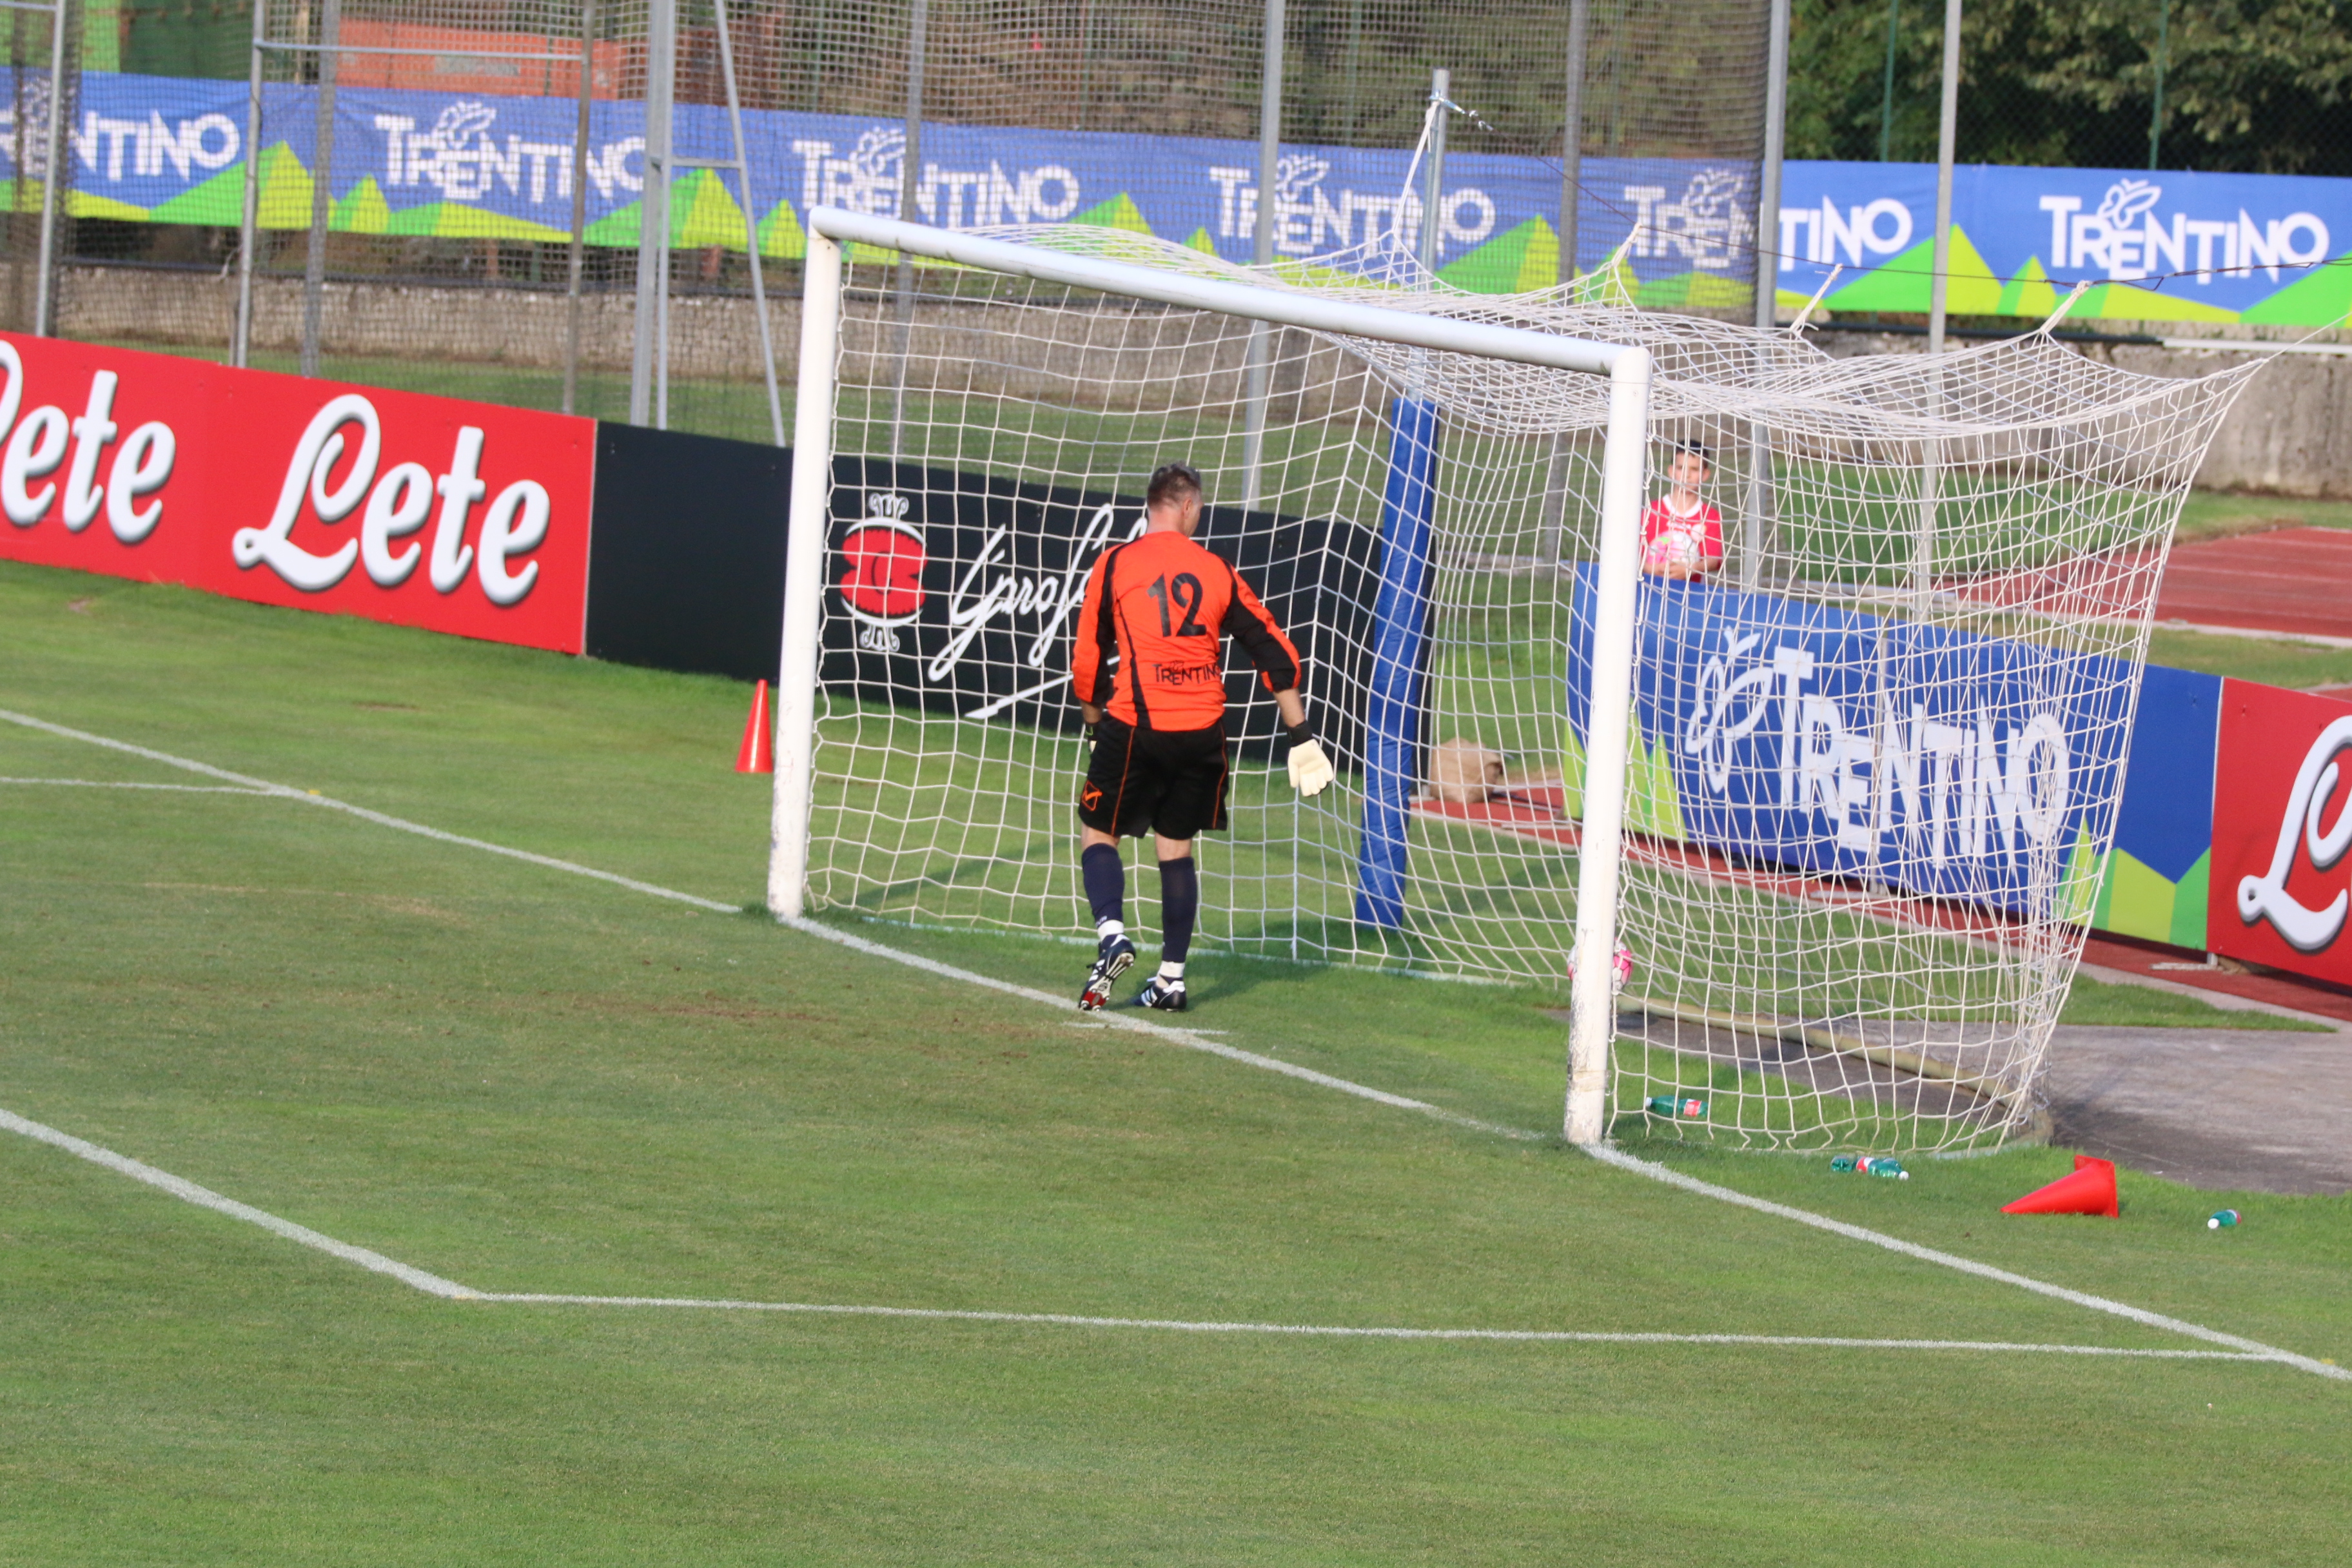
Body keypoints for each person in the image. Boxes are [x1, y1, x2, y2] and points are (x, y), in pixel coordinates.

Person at [1068, 462, 1335, 1012]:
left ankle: (1113, 934)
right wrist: (1302, 735)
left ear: (1155, 505)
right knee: (1177, 848)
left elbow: (1088, 662)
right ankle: (1171, 978)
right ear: (1188, 506)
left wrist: (1095, 728)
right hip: (1201, 732)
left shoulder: (1116, 563)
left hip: (1138, 724)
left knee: (1099, 834)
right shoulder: (1216, 568)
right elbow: (1273, 649)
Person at [1641, 440, 1724, 580]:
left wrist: (1691, 569)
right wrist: (1650, 568)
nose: (1687, 476)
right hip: (1650, 590)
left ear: (1705, 475)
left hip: (1690, 594)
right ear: (1671, 471)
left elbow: (1713, 560)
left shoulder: (1710, 516)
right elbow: (1633, 553)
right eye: (1681, 468)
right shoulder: (1652, 511)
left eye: (1694, 469)